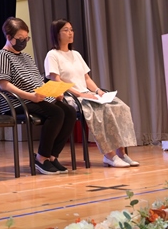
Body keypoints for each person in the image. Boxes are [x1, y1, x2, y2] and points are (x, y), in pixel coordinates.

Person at [43, 19, 139, 168]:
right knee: (100, 111)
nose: (70, 33)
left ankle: (121, 153)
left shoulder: (76, 54)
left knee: (120, 107)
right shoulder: (52, 55)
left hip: (86, 93)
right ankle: (109, 155)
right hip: (71, 96)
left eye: (71, 30)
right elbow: (57, 81)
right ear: (57, 34)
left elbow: (86, 78)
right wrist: (80, 94)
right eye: (66, 30)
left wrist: (98, 91)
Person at [0, 17, 76, 175]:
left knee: (70, 111)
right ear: (9, 37)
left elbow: (38, 81)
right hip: (18, 101)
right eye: (20, 38)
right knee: (56, 113)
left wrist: (53, 92)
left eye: (26, 38)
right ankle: (41, 158)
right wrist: (30, 96)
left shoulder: (27, 57)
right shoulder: (2, 56)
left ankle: (52, 156)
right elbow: (4, 85)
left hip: (37, 98)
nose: (24, 41)